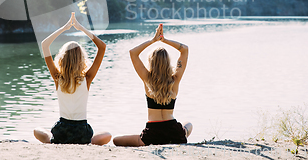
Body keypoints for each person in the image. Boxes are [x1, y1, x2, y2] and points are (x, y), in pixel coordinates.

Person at [33, 12, 112, 145]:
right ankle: (88, 142)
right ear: (81, 59)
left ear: (62, 59)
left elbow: (45, 45)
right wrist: (81, 28)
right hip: (82, 132)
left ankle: (53, 141)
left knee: (37, 130)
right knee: (107, 136)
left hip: (62, 132)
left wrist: (64, 28)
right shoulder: (87, 78)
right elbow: (102, 47)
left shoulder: (57, 78)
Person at [113, 24, 192, 146]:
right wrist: (164, 40)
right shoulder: (175, 79)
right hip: (174, 132)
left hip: (152, 134)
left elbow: (133, 53)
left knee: (116, 140)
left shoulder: (148, 79)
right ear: (168, 62)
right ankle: (180, 134)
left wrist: (153, 40)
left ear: (151, 62)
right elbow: (184, 49)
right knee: (188, 125)